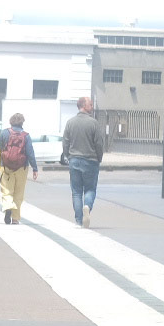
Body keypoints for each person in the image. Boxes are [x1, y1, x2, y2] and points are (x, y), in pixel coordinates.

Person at [61, 95, 106, 227]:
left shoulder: (70, 122)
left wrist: (68, 156)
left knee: (76, 192)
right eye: (90, 104)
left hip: (74, 160)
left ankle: (79, 220)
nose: (92, 106)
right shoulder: (93, 123)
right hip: (90, 160)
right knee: (90, 189)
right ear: (84, 106)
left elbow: (65, 142)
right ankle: (87, 206)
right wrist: (99, 157)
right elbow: (99, 143)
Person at [0, 111, 35, 224]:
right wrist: (35, 168)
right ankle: (15, 218)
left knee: (6, 190)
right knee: (18, 193)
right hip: (22, 168)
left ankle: (8, 206)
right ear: (22, 122)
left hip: (6, 167)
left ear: (11, 121)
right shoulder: (26, 136)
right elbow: (30, 153)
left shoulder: (4, 133)